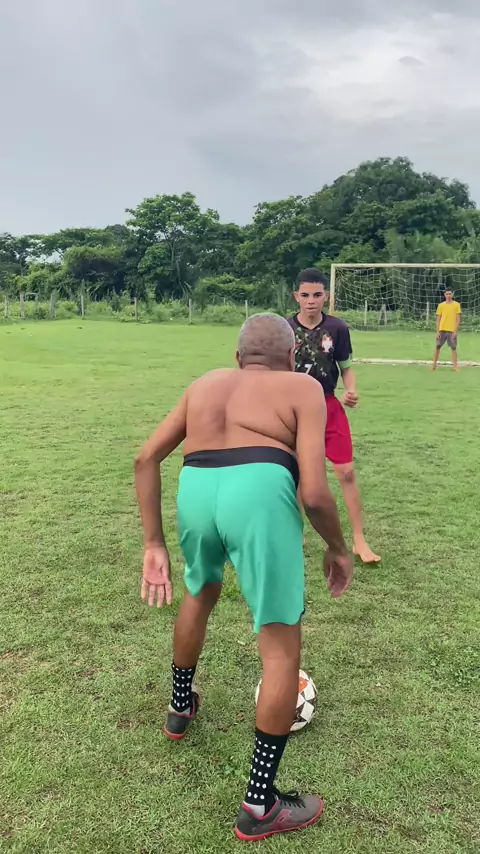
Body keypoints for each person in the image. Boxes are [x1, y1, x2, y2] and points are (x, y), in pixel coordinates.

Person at [134, 313, 353, 843]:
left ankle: (180, 706)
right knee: (279, 645)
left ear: (238, 358)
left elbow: (145, 458)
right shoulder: (302, 386)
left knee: (199, 592)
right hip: (259, 491)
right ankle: (260, 804)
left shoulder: (206, 383)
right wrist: (337, 547)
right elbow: (315, 493)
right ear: (291, 358)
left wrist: (153, 543)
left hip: (197, 487)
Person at [288, 268, 380, 564]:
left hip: (328, 405)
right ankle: (295, 533)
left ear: (325, 296)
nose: (311, 301)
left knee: (347, 472)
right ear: (296, 296)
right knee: (294, 474)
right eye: (305, 295)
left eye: (317, 295)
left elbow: (346, 367)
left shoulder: (337, 328)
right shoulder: (285, 328)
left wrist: (350, 390)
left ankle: (359, 540)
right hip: (294, 410)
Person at [431, 288, 461, 372]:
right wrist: (437, 331)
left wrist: (455, 331)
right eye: (447, 294)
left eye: (450, 294)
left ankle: (455, 366)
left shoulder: (456, 305)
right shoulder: (441, 305)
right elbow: (438, 319)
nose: (448, 295)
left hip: (452, 330)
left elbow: (458, 319)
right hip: (442, 330)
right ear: (444, 295)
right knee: (437, 346)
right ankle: (434, 365)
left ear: (452, 294)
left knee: (453, 348)